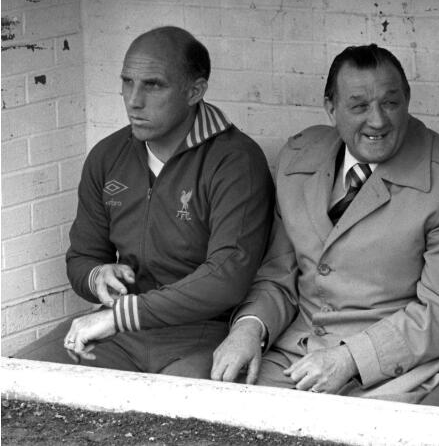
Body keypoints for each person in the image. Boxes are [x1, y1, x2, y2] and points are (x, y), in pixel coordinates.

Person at [211, 44, 439, 404]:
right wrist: (249, 328)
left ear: (407, 100)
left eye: (391, 103)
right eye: (359, 106)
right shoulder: (299, 157)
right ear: (331, 108)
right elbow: (278, 276)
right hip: (297, 353)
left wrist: (350, 359)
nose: (378, 120)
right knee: (225, 409)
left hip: (394, 369)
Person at [14, 26, 274, 378]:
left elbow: (226, 279)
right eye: (127, 82)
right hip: (119, 332)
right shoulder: (108, 155)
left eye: (153, 85)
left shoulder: (236, 160)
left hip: (204, 333)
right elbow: (82, 257)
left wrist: (121, 316)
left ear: (195, 90)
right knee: (16, 378)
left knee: (169, 407)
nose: (134, 100)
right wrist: (97, 276)